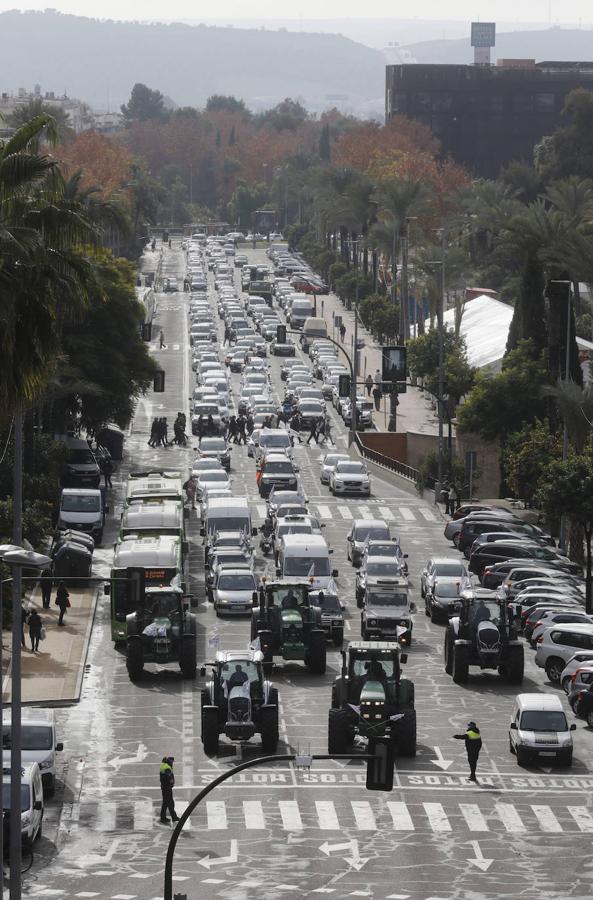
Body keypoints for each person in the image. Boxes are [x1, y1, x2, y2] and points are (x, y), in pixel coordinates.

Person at [159, 756, 179, 824]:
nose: (173, 763)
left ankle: (163, 817)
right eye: (172, 761)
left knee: (165, 803)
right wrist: (171, 783)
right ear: (170, 761)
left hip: (164, 787)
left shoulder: (163, 765)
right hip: (167, 788)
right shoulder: (167, 768)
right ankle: (174, 817)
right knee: (170, 803)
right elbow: (169, 778)